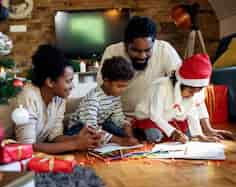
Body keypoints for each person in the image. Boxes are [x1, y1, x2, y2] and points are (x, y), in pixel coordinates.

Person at [98, 16, 232, 140]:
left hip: (160, 119)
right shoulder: (112, 52)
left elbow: (191, 87)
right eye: (136, 50)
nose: (142, 56)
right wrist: (122, 123)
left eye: (147, 50)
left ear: (154, 43)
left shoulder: (164, 50)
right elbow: (103, 94)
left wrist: (207, 129)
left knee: (189, 134)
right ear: (126, 44)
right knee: (110, 132)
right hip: (122, 120)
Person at [14, 44, 101, 154]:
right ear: (50, 82)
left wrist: (79, 139)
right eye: (68, 81)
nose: (72, 86)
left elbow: (55, 137)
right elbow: (27, 147)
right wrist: (75, 144)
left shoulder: (58, 99)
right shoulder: (28, 96)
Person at [133, 54, 221, 143]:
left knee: (190, 135)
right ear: (179, 84)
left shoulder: (192, 93)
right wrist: (174, 132)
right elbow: (155, 116)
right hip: (151, 119)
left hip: (172, 120)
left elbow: (192, 113)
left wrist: (200, 135)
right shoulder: (161, 87)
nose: (193, 95)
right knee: (155, 136)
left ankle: (170, 136)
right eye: (190, 91)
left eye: (196, 92)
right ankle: (140, 133)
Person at [66, 56, 139, 146]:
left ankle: (123, 139)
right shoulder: (93, 98)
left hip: (100, 125)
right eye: (120, 86)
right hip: (79, 128)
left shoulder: (115, 95)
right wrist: (119, 140)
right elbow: (90, 126)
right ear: (106, 81)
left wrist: (127, 130)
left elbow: (118, 118)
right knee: (94, 131)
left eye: (125, 86)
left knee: (114, 126)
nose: (123, 90)